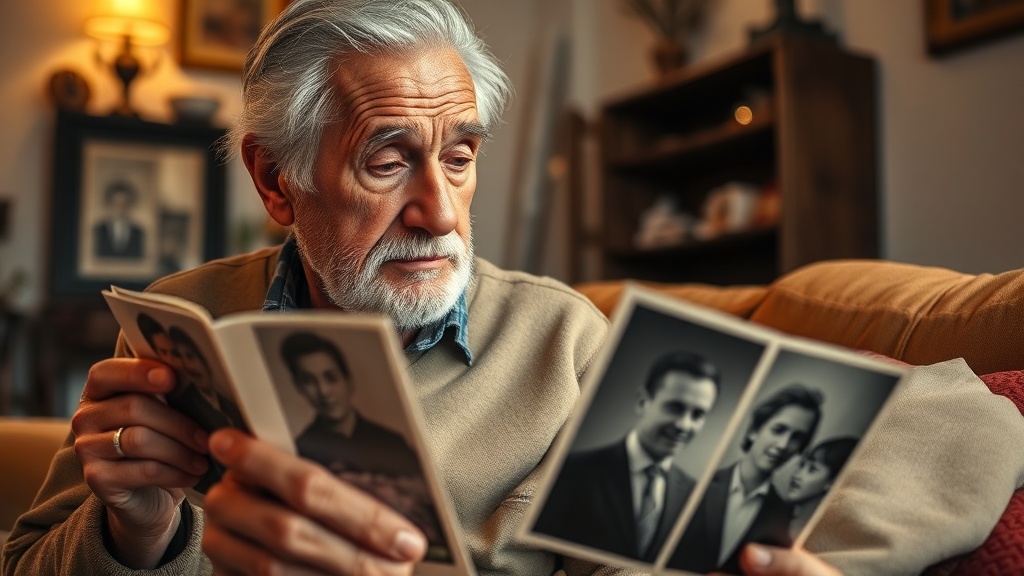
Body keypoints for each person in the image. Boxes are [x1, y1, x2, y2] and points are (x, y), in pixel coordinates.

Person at [2, 1, 842, 575]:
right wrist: (137, 532)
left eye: (460, 156)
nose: (439, 212)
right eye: (388, 159)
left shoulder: (568, 342)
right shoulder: (182, 324)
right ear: (277, 181)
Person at [533, 350, 720, 562]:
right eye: (675, 407)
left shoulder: (697, 498)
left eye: (698, 414)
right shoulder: (570, 472)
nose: (684, 425)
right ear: (642, 402)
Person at [280, 331, 446, 557]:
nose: (323, 392)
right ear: (298, 388)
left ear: (348, 380)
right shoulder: (293, 448)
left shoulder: (392, 442)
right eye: (309, 381)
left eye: (331, 377)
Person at [669, 384, 823, 574]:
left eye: (797, 438)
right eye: (778, 430)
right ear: (755, 430)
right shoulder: (694, 485)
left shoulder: (783, 514)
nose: (783, 445)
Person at [783, 437, 858, 540]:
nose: (797, 475)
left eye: (812, 469)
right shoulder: (779, 516)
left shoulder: (823, 535)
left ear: (832, 482)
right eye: (802, 465)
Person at [93, 179, 145, 259]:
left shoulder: (138, 231)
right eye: (116, 204)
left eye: (124, 204)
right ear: (109, 204)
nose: (120, 208)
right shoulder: (100, 230)